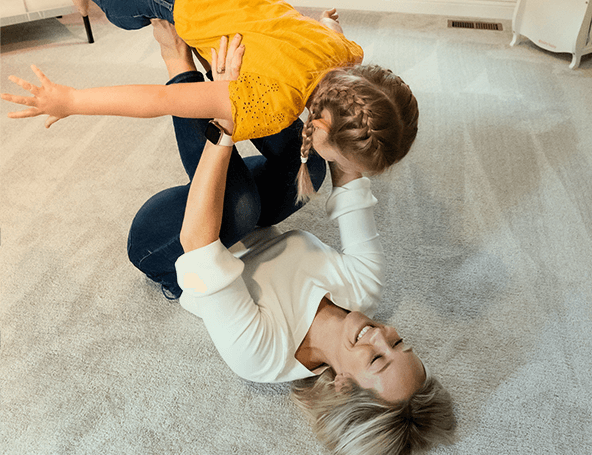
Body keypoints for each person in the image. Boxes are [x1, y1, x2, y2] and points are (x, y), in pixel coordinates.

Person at [130, 25, 455, 455]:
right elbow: (350, 180)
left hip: (168, 245)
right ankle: (226, 49)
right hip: (241, 226)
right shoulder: (363, 288)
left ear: (341, 386)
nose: (382, 334)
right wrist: (333, 85)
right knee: (316, 165)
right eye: (398, 342)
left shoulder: (263, 355)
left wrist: (224, 124)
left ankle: (177, 55)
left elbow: (198, 241)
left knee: (240, 202)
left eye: (377, 358)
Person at [1, 0, 419, 202]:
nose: (344, 169)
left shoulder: (346, 55)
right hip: (171, 1)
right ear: (321, 129)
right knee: (122, 15)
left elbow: (327, 27)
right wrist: (70, 99)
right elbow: (160, 100)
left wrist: (326, 22)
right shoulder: (270, 104)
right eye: (347, 163)